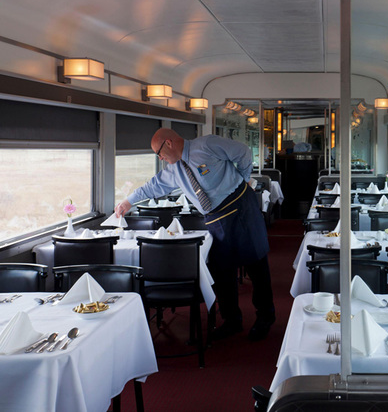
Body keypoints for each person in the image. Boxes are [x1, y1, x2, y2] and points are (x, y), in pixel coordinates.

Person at [115, 128, 275, 341]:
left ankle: (265, 317)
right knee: (221, 271)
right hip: (215, 218)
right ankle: (232, 320)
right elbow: (153, 186)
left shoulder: (207, 145)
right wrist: (128, 202)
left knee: (256, 264)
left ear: (169, 143)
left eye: (159, 153)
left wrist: (245, 180)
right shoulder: (175, 170)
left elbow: (243, 152)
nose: (160, 158)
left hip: (240, 207)